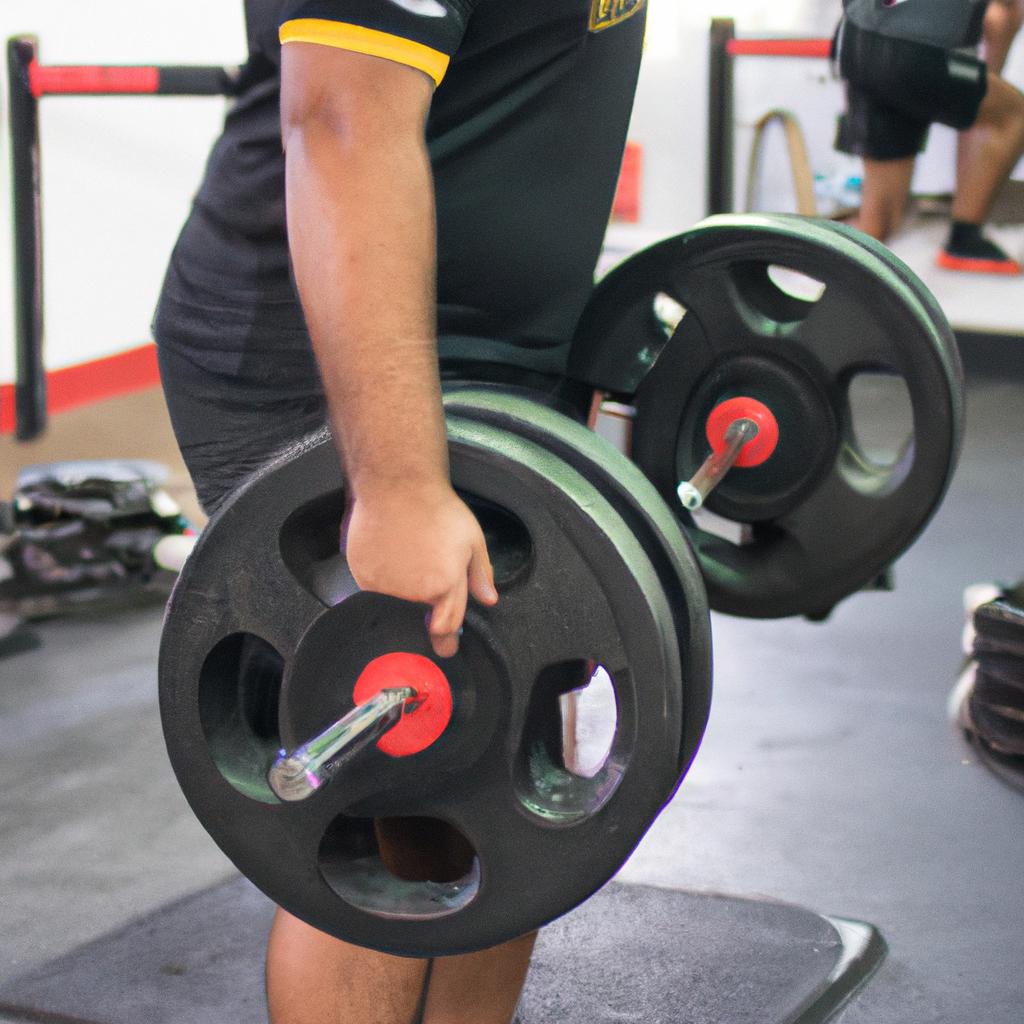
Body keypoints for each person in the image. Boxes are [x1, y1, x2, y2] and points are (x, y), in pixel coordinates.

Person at [153, 1, 649, 1022]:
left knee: (505, 787)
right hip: (333, 372)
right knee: (383, 801)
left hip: (485, 375)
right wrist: (397, 485)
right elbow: (340, 128)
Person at [834, 0, 1024, 274]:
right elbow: (1001, 15)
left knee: (879, 226)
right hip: (925, 57)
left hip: (859, 47)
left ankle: (831, 293)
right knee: (1012, 114)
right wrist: (985, 79)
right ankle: (964, 241)